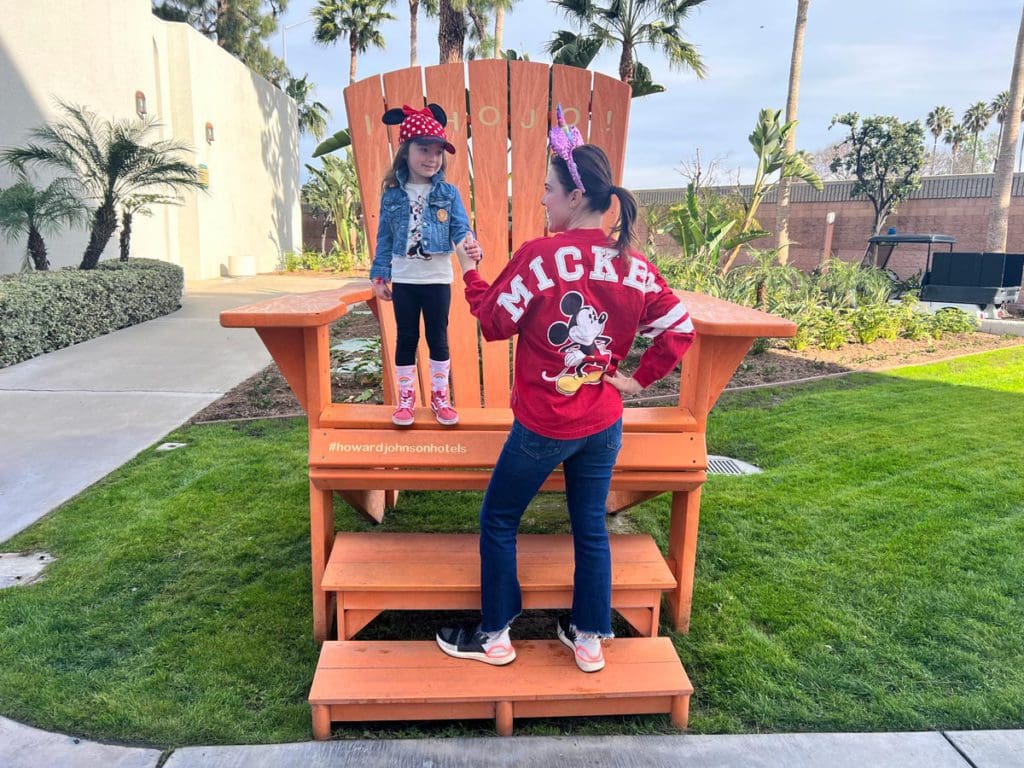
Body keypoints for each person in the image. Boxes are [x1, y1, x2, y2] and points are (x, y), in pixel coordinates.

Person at [436, 108, 697, 673]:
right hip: (603, 422)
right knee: (589, 526)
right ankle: (587, 638)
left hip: (544, 424)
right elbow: (680, 329)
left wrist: (472, 271)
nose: (543, 202)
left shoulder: (539, 257)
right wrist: (635, 380)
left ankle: (496, 635)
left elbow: (493, 323)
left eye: (548, 190)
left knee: (500, 518)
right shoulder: (634, 264)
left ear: (577, 197)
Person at [370, 104, 482, 427]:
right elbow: (385, 239)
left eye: (437, 152)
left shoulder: (448, 193)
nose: (432, 158)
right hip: (405, 280)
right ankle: (407, 400)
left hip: (436, 280)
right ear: (406, 152)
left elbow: (461, 229)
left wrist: (472, 245)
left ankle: (439, 397)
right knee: (406, 338)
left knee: (438, 338)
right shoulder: (392, 196)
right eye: (423, 150)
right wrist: (380, 275)